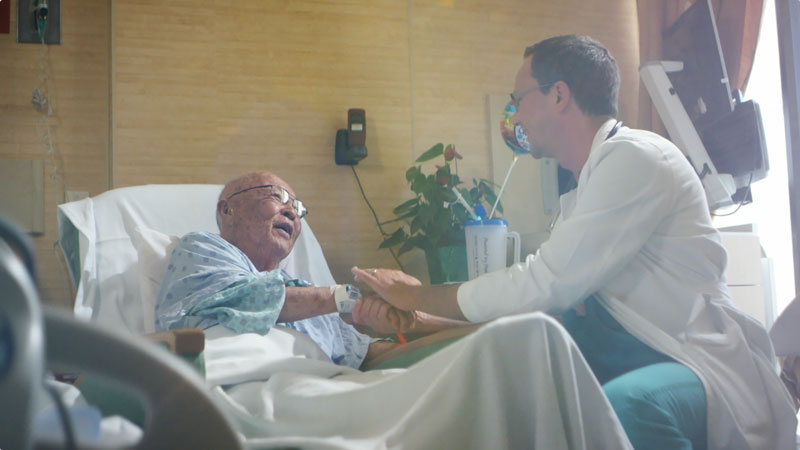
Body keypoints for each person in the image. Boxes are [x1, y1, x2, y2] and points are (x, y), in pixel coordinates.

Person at [353, 35, 797, 449]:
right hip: (639, 354)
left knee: (632, 405)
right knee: (497, 379)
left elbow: (545, 284)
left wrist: (418, 295)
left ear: (559, 95)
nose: (516, 115)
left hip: (698, 364)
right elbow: (537, 310)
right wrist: (417, 321)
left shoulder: (636, 158)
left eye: (518, 100)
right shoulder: (582, 195)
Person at [154, 171, 425, 369]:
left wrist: (435, 335)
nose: (293, 214)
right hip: (245, 384)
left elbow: (365, 352)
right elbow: (244, 299)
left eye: (297, 208)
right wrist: (349, 297)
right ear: (228, 209)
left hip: (324, 386)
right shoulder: (201, 248)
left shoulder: (306, 293)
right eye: (278, 197)